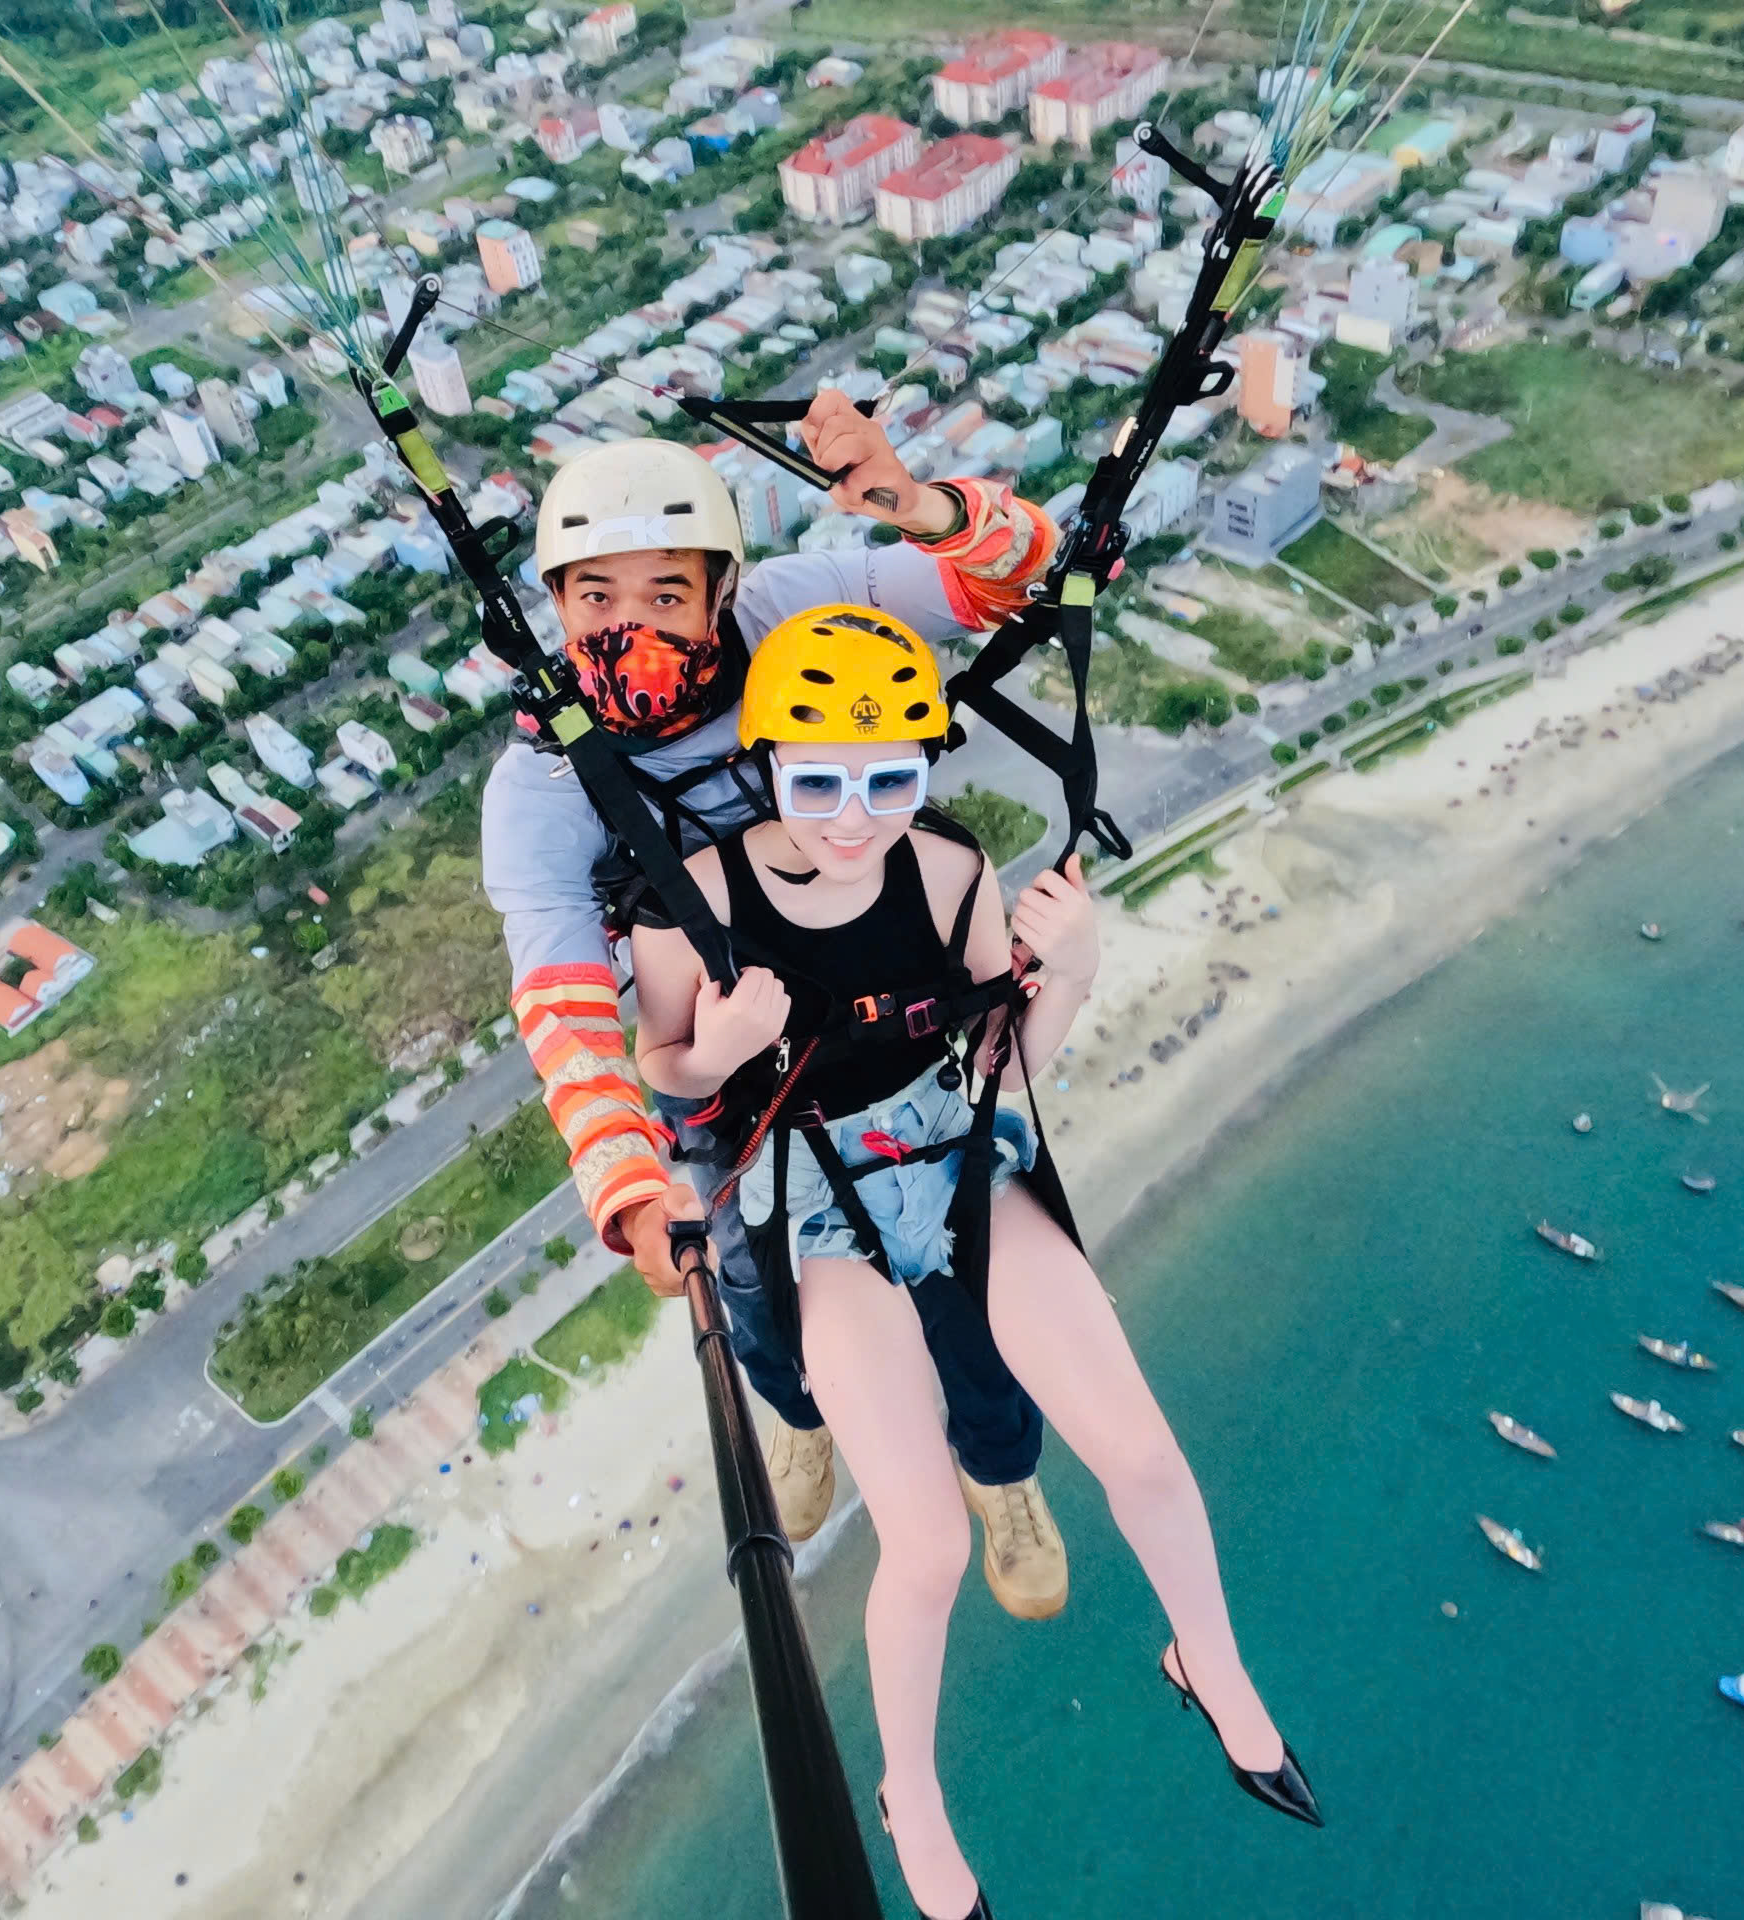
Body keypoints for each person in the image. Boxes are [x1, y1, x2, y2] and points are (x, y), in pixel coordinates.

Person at [627, 609, 1317, 1920]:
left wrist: (1070, 972)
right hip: (811, 1194)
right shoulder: (695, 906)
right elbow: (665, 1084)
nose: (851, 816)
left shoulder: (943, 873)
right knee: (926, 1545)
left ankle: (1213, 1664)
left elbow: (1004, 1060)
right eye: (819, 776)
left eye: (887, 777)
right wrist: (720, 1047)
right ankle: (914, 1795)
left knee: (1147, 1454)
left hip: (951, 1148)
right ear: (769, 758)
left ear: (922, 772)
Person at [483, 394, 1070, 1617]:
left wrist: (917, 508)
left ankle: (996, 1462)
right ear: (554, 606)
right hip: (718, 1050)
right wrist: (629, 1186)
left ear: (718, 590)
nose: (628, 629)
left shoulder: (788, 615)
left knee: (954, 1256)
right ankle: (805, 1415)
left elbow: (1011, 580)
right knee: (752, 1291)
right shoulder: (546, 782)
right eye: (595, 598)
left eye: (661, 596)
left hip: (873, 996)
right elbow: (567, 1006)